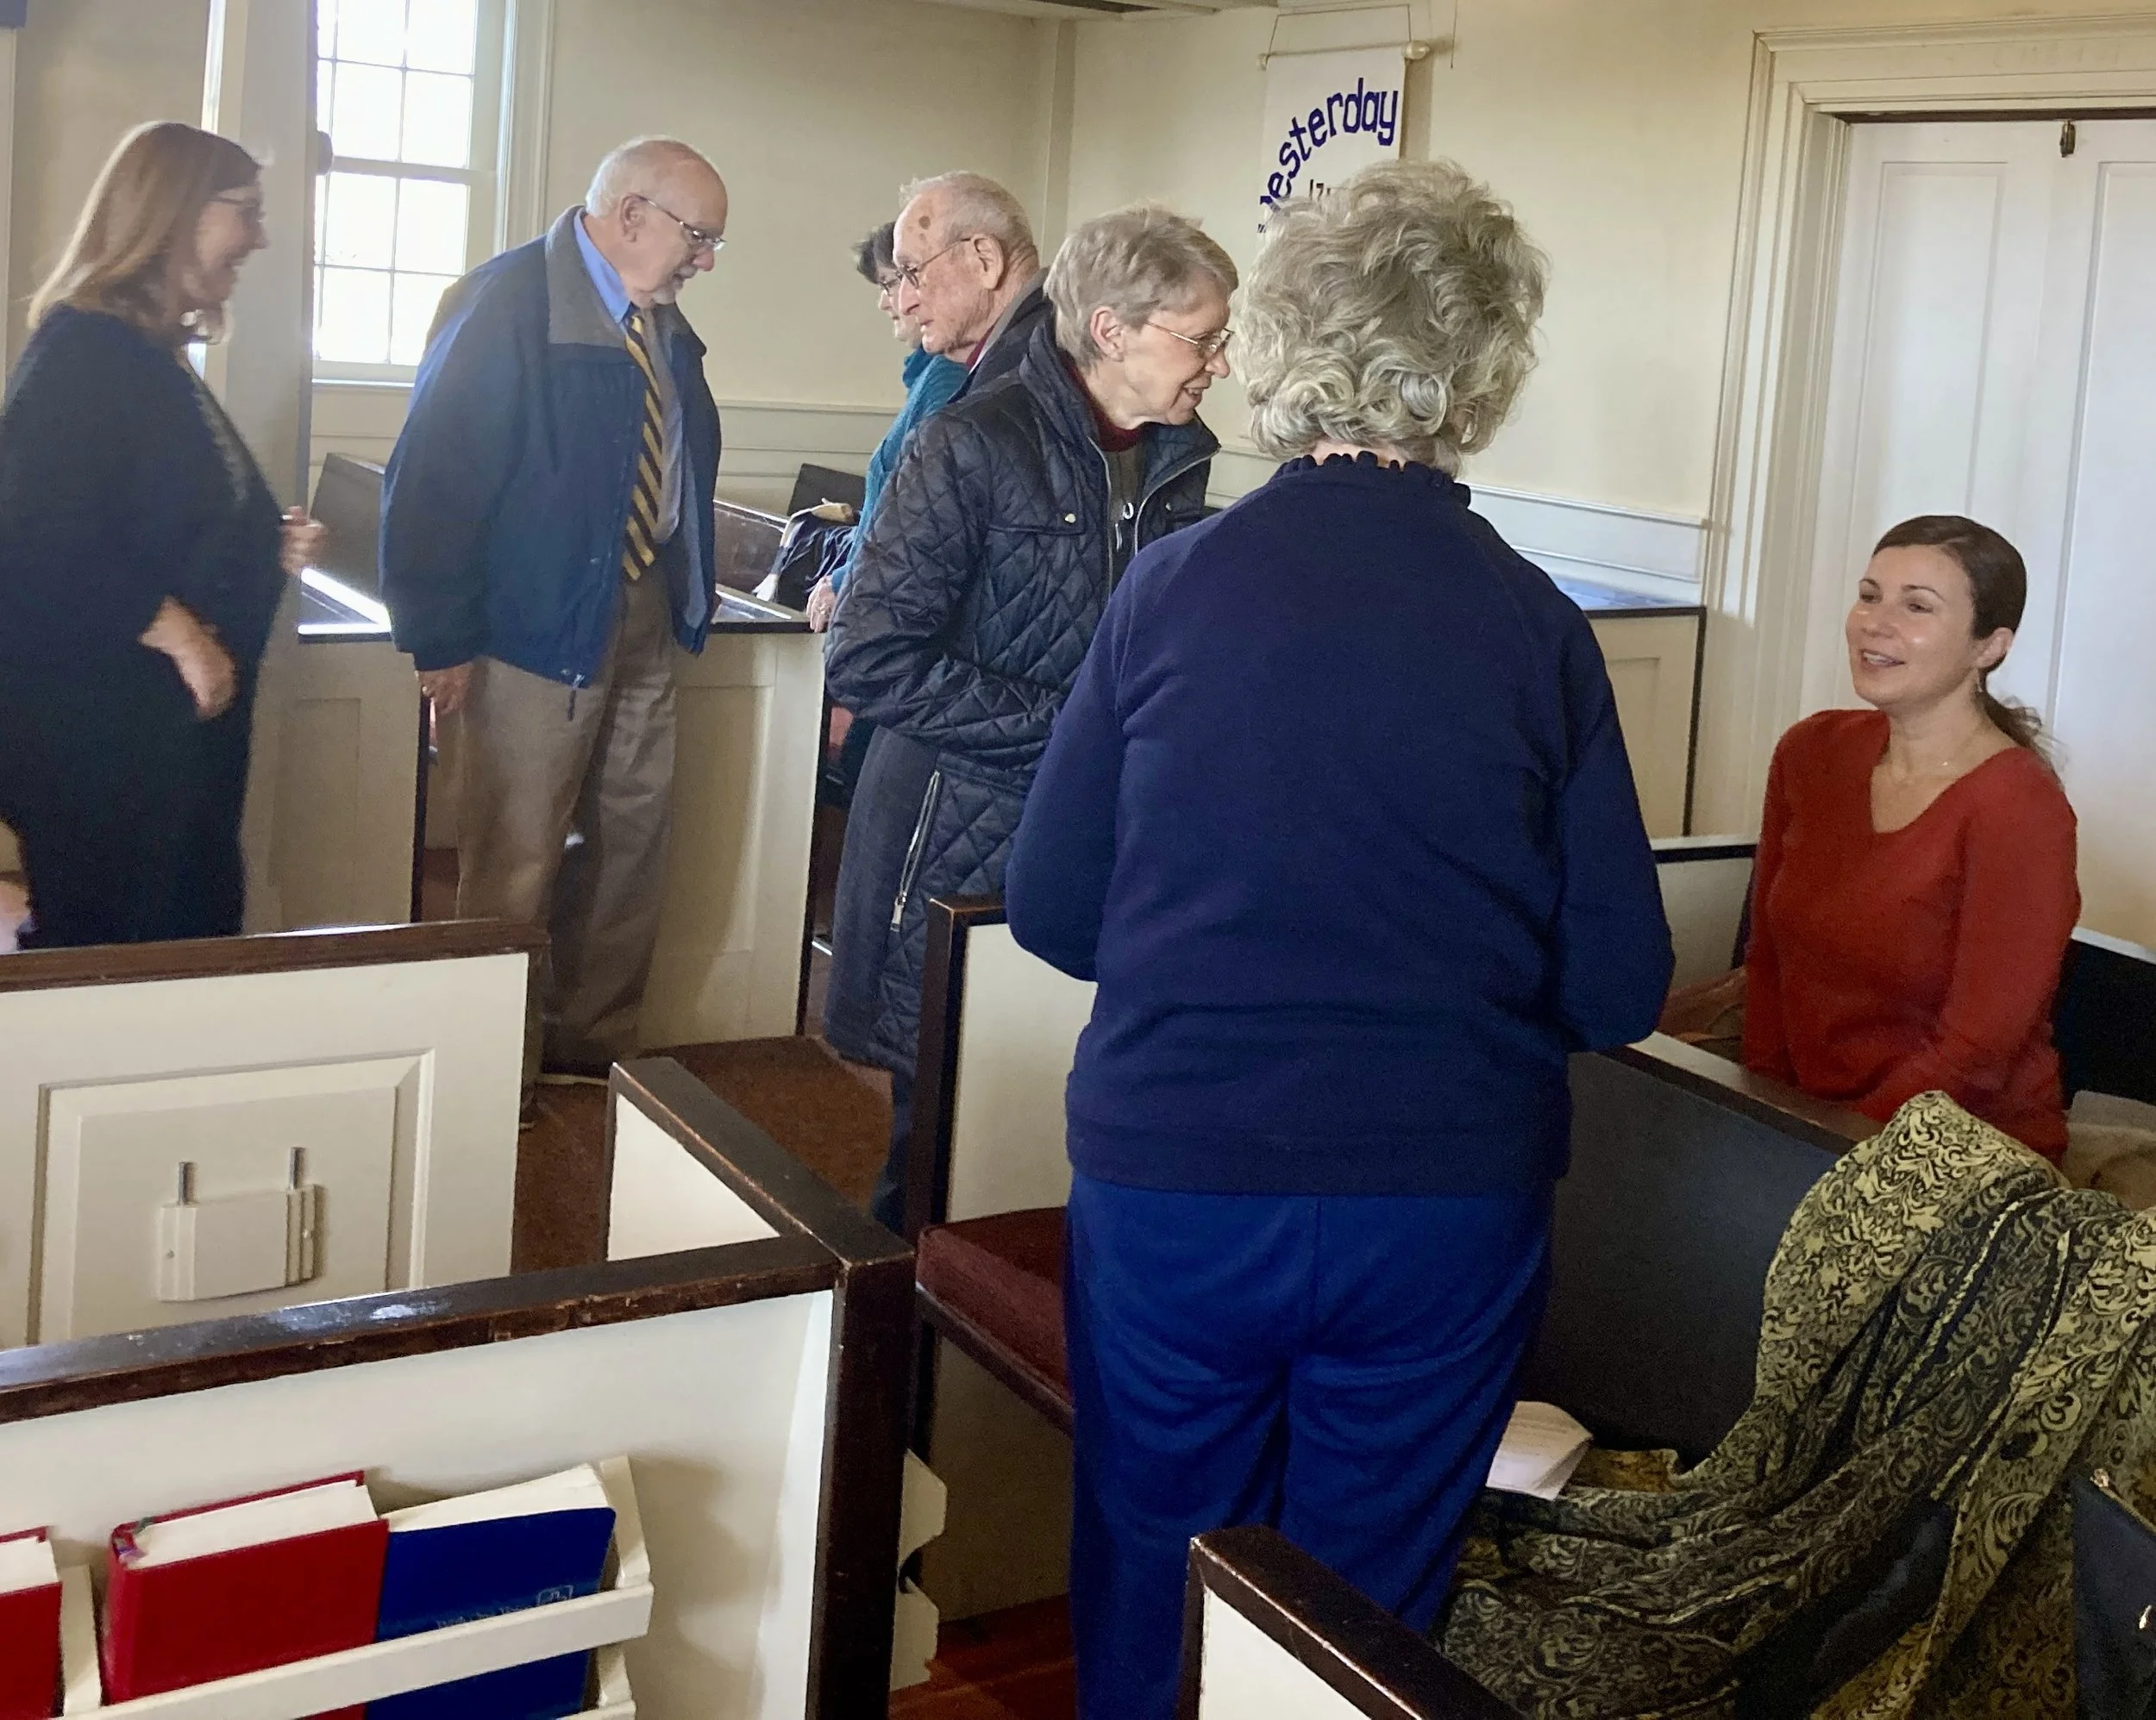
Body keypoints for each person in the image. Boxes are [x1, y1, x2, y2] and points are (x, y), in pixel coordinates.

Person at [1001, 161, 1674, 1720]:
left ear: (1291, 344)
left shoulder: (1171, 592)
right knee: (1362, 1617)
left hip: (1182, 1169)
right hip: (1437, 1198)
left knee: (1156, 1569)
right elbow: (1619, 981)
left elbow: (1051, 904)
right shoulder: (1533, 626)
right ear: (1485, 370)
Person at [824, 203, 1237, 1235]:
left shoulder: (1182, 456)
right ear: (1111, 330)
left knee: (1058, 1133)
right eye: (1201, 337)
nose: (1218, 364)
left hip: (1111, 838)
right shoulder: (972, 443)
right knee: (939, 1155)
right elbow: (870, 658)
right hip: (956, 840)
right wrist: (1077, 731)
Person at [380, 137, 728, 1086]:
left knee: (633, 848)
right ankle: (490, 1070)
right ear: (630, 217)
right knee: (515, 858)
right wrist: (440, 638)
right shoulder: (506, 303)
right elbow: (432, 482)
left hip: (641, 606)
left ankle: (593, 1054)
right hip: (528, 624)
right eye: (698, 238)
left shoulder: (659, 320)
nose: (704, 260)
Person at [0, 121, 323, 949]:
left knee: (181, 947)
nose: (258, 236)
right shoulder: (86, 350)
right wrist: (182, 635)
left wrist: (263, 544)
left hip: (159, 747)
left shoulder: (151, 353)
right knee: (121, 965)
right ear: (173, 213)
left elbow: (155, 515)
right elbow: (34, 536)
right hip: (105, 742)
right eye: (243, 210)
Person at [1743, 516, 2078, 1160]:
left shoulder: (2019, 806)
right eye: (1870, 595)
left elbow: (1974, 1055)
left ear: (1990, 646)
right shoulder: (1810, 751)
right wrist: (1765, 1114)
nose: (1876, 621)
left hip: (1957, 1153)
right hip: (1806, 1127)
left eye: (1916, 606)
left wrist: (1831, 1150)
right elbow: (1766, 961)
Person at [803, 222, 967, 635]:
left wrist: (842, 582)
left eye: (892, 282)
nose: (887, 302)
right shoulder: (931, 374)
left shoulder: (947, 378)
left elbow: (908, 516)